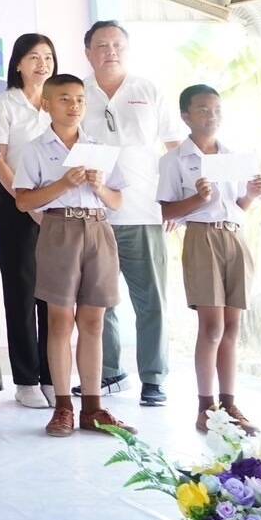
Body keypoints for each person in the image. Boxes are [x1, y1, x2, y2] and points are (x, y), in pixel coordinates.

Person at [13, 74, 133, 437]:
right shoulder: (35, 148)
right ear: (47, 104)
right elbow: (22, 200)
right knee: (60, 321)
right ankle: (63, 405)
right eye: (65, 99)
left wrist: (99, 186)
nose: (74, 106)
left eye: (80, 99)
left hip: (97, 229)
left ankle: (93, 406)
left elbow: (118, 200)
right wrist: (64, 184)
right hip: (59, 229)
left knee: (94, 321)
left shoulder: (100, 146)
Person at [83, 21, 183, 408]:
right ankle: (107, 373)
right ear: (88, 52)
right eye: (102, 45)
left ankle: (154, 378)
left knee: (151, 301)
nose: (111, 51)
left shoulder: (148, 90)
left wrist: (175, 202)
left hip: (144, 211)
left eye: (118, 45)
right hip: (93, 213)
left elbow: (175, 150)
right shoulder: (78, 92)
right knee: (98, 301)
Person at [157, 85, 261, 434]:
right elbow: (167, 211)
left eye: (216, 109)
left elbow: (237, 207)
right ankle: (206, 406)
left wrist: (250, 195)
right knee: (212, 326)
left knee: (233, 326)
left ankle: (230, 402)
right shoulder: (174, 160)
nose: (211, 115)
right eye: (202, 109)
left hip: (234, 235)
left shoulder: (233, 156)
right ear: (186, 116)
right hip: (201, 238)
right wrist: (197, 201)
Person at [0, 33, 57, 409]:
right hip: (16, 203)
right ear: (17, 63)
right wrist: (28, 204)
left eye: (47, 57)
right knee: (21, 290)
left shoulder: (59, 104)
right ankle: (26, 379)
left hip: (56, 203)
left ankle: (52, 375)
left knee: (54, 292)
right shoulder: (4, 105)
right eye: (33, 57)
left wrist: (47, 205)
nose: (42, 64)